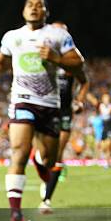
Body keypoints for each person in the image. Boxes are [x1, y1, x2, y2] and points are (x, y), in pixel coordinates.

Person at [0, 0, 84, 221]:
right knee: (19, 151)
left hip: (50, 105)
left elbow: (78, 63)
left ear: (46, 12)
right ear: (23, 11)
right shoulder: (12, 37)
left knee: (49, 160)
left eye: (39, 5)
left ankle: (40, 160)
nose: (34, 8)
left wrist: (56, 58)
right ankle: (16, 215)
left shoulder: (58, 35)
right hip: (22, 100)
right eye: (30, 5)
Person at [40, 22, 90, 211]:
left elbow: (84, 82)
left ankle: (46, 200)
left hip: (65, 113)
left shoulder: (71, 63)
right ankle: (44, 171)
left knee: (57, 155)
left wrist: (80, 101)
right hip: (45, 110)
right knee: (44, 155)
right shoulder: (42, 57)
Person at [87, 85, 111, 167]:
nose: (106, 100)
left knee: (108, 145)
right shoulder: (100, 106)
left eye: (107, 98)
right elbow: (92, 100)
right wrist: (86, 92)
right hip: (104, 128)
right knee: (104, 147)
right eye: (104, 98)